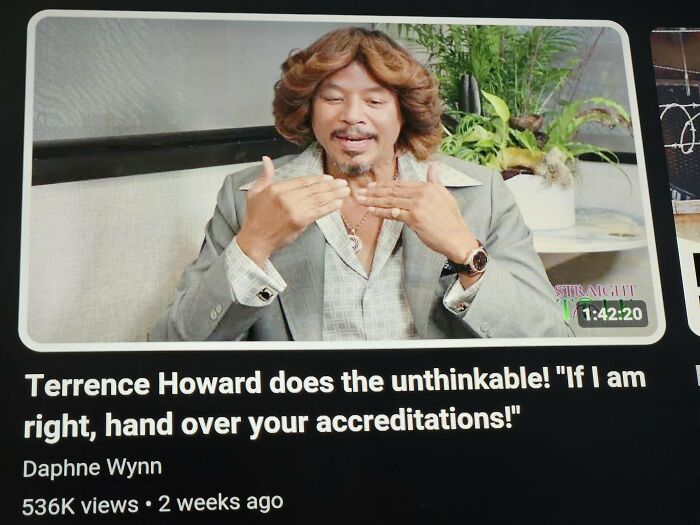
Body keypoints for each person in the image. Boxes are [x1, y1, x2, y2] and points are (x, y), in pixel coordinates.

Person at [149, 27, 571, 342]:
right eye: (333, 98)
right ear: (308, 111)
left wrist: (465, 251)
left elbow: (553, 342)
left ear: (403, 112)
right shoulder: (248, 198)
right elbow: (172, 348)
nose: (353, 115)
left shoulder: (483, 195)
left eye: (374, 100)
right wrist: (253, 246)